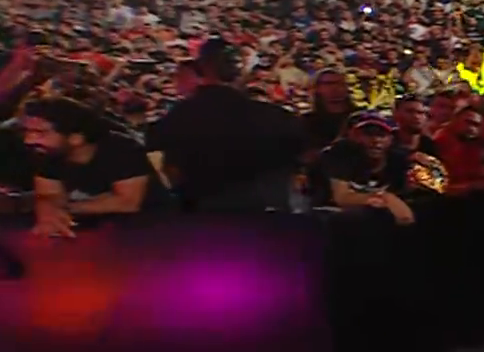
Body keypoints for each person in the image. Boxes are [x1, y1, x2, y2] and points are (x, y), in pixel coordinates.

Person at [145, 37, 305, 212]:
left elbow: (163, 159)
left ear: (202, 68)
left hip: (203, 211)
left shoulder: (182, 115)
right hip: (264, 211)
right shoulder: (274, 116)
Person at [23, 96, 156, 237]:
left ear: (76, 138)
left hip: (147, 231)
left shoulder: (122, 148)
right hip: (88, 232)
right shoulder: (48, 153)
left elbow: (127, 202)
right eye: (27, 131)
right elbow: (49, 195)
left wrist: (61, 208)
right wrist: (48, 210)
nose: (28, 140)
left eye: (40, 133)